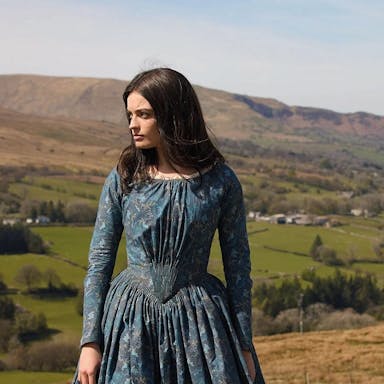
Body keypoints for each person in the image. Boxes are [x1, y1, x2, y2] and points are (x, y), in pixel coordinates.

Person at [72, 68, 265, 384]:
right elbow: (99, 265)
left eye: (144, 114)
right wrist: (90, 343)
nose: (133, 124)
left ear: (172, 114)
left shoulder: (220, 182)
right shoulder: (124, 178)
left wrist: (244, 344)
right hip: (130, 324)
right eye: (130, 115)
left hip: (201, 325)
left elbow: (239, 269)